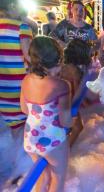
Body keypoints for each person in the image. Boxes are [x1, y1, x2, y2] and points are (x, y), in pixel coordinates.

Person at [20, 36, 72, 192]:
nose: (61, 68)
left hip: (30, 139)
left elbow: (25, 109)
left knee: (43, 175)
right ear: (55, 62)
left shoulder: (26, 80)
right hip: (52, 141)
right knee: (58, 177)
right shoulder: (62, 85)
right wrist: (72, 121)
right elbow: (65, 121)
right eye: (59, 64)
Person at [0, 0, 32, 138]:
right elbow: (30, 56)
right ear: (12, 5)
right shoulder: (21, 27)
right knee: (20, 128)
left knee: (8, 126)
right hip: (17, 87)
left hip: (1, 86)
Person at [60, 39, 92, 146]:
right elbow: (77, 94)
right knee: (78, 128)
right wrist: (87, 103)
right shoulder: (75, 71)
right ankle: (66, 150)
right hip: (67, 104)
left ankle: (62, 145)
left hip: (58, 102)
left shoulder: (62, 66)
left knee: (65, 128)